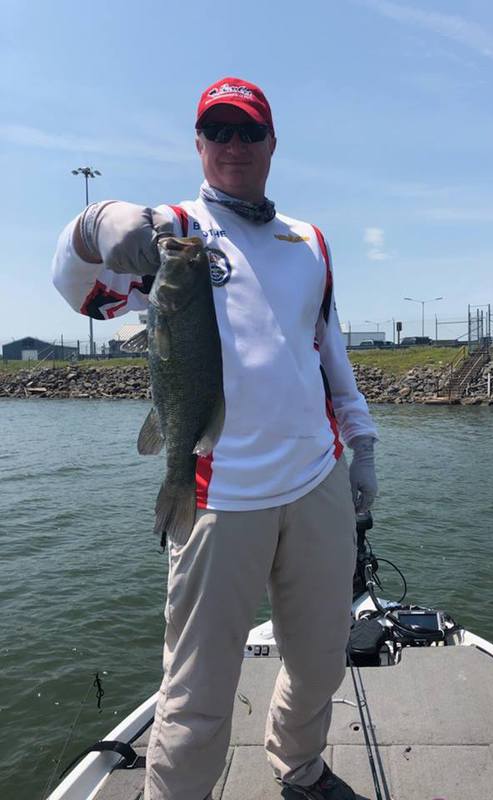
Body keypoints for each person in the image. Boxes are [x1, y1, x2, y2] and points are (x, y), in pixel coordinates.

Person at [52, 77, 378, 800]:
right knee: (197, 689)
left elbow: (328, 349)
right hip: (216, 490)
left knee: (321, 658)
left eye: (248, 131)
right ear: (198, 144)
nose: (234, 144)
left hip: (317, 478)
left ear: (272, 143)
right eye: (218, 131)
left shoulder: (309, 241)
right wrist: (94, 224)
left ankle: (300, 766)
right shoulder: (171, 233)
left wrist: (363, 444)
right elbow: (79, 290)